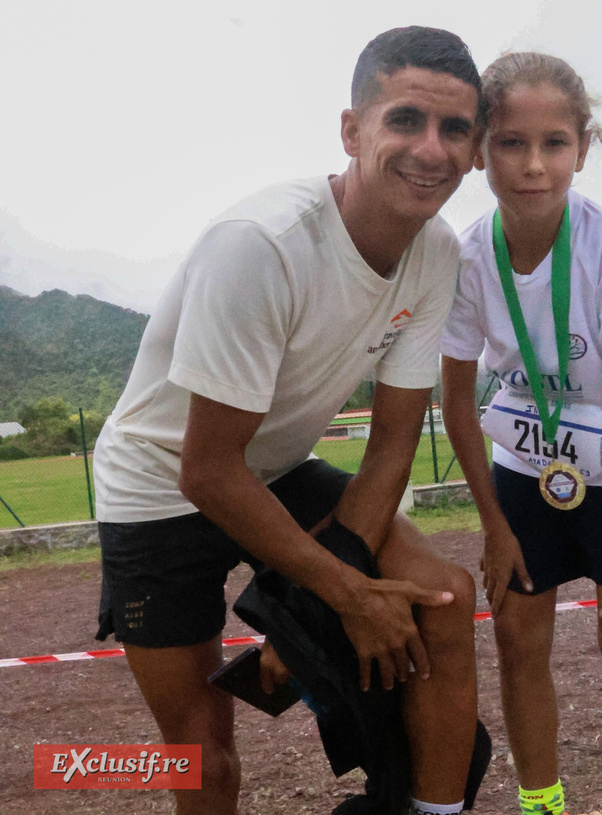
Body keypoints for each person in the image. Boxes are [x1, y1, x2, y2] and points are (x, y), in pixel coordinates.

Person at [94, 26, 486, 815]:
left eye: (456, 130)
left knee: (442, 596)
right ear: (352, 130)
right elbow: (205, 470)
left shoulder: (437, 250)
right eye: (405, 119)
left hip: (271, 471)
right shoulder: (261, 245)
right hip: (159, 489)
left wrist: (313, 611)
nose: (432, 149)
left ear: (475, 150)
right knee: (207, 758)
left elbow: (393, 446)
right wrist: (344, 595)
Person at [440, 52, 602, 815]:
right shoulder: (467, 255)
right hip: (524, 469)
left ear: (584, 146)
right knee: (517, 638)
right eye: (511, 142)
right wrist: (491, 526)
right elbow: (453, 400)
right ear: (481, 148)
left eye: (555, 143)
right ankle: (542, 802)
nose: (534, 165)